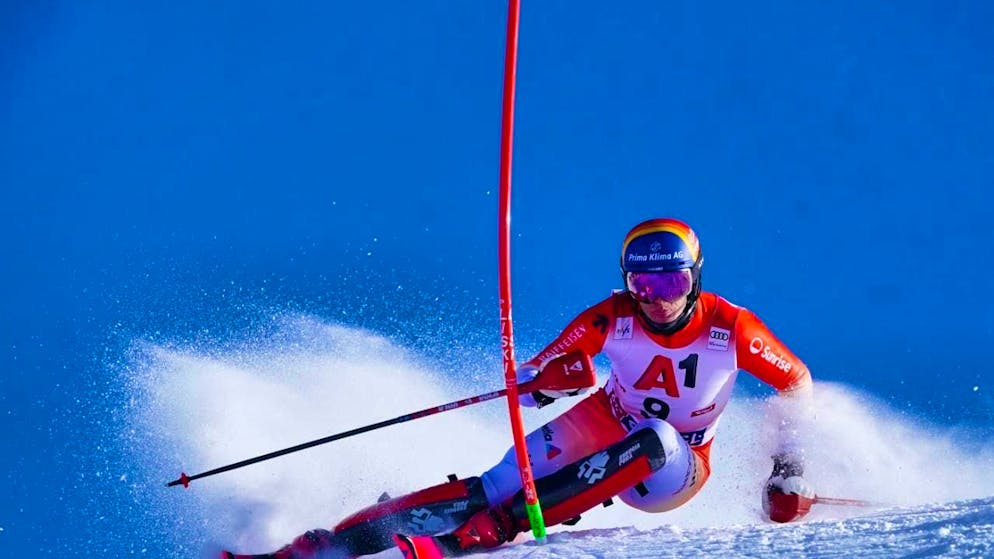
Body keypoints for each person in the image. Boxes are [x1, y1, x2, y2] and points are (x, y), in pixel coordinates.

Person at [223, 217, 815, 559]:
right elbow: (532, 380)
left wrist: (786, 471)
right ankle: (325, 546)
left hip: (674, 467)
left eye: (671, 282)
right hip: (607, 420)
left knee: (657, 436)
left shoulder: (731, 327)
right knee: (499, 482)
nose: (657, 298)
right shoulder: (612, 316)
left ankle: (488, 533)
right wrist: (548, 382)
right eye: (643, 284)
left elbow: (797, 383)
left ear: (695, 278)